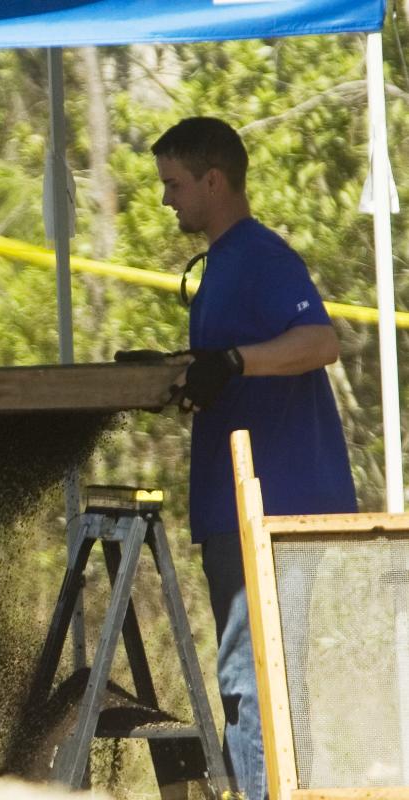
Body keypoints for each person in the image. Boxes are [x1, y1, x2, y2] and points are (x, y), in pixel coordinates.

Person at [153, 117, 356, 800]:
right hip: (238, 505)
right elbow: (231, 372)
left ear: (215, 180)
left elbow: (320, 342)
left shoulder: (261, 255)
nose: (166, 200)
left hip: (276, 506)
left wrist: (235, 361)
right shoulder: (222, 264)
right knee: (267, 673)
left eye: (174, 185)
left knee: (252, 675)